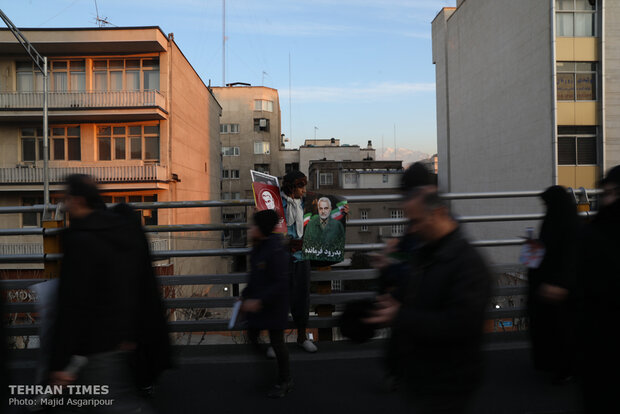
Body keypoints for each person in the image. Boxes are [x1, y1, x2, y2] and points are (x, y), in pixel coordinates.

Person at [49, 174, 171, 412]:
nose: (64, 204)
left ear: (79, 200)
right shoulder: (120, 229)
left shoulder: (81, 239)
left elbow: (72, 305)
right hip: (122, 338)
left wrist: (59, 362)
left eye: (67, 198)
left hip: (94, 342)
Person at [364, 190, 491, 414]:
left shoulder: (469, 264)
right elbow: (411, 296)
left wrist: (399, 315)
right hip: (424, 376)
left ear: (439, 213)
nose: (411, 229)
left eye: (416, 221)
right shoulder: (428, 255)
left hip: (449, 381)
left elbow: (461, 325)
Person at [577, 165, 620, 413]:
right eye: (605, 193)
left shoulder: (595, 234)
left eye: (614, 193)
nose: (608, 200)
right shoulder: (595, 233)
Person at [526, 185, 579, 382]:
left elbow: (569, 257)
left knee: (561, 328)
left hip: (559, 288)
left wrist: (561, 283)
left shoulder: (568, 226)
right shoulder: (560, 220)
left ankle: (564, 368)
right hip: (549, 284)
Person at [241, 209, 292, 398]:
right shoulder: (258, 247)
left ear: (261, 228)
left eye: (253, 225)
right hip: (259, 303)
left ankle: (285, 380)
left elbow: (280, 282)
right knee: (253, 336)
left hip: (273, 306)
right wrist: (245, 296)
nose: (250, 228)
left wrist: (258, 301)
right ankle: (271, 368)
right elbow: (254, 277)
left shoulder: (275, 250)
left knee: (277, 342)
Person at [280, 171, 317, 353]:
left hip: (303, 256)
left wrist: (342, 213)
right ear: (290, 187)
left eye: (304, 186)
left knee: (302, 297)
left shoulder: (308, 202)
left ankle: (302, 337)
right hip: (282, 258)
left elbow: (328, 215)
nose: (303, 190)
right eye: (300, 186)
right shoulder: (276, 202)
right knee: (280, 299)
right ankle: (277, 343)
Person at [302, 197, 345, 262]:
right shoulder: (310, 224)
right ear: (318, 209)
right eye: (321, 208)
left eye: (326, 208)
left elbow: (340, 246)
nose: (323, 211)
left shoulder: (338, 225)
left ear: (330, 209)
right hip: (314, 262)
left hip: (331, 261)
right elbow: (307, 246)